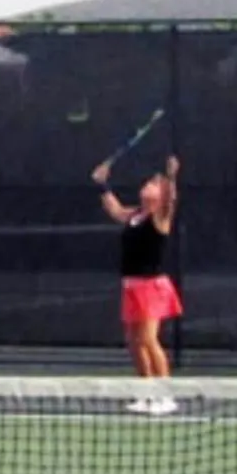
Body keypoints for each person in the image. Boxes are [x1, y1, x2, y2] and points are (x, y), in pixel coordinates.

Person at [92, 154, 181, 414]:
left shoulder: (160, 217)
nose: (148, 185)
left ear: (161, 194)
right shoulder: (135, 215)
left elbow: (170, 201)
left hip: (151, 287)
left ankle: (166, 396)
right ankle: (146, 394)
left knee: (149, 339)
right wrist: (102, 184)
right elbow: (115, 210)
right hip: (131, 286)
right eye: (149, 181)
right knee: (134, 341)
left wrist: (171, 176)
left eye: (155, 184)